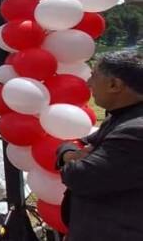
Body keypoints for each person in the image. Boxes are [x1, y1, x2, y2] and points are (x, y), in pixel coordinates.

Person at [55, 51, 143, 240]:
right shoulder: (122, 116)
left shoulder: (135, 131)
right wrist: (69, 153)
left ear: (115, 85)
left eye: (93, 76)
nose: (88, 84)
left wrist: (71, 158)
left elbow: (79, 177)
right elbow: (80, 142)